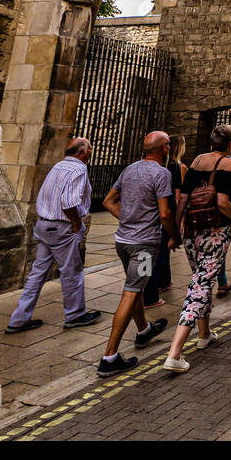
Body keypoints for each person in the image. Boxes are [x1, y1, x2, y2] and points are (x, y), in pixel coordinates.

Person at [163, 125, 231, 373]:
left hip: (192, 229)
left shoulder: (196, 160)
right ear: (229, 145)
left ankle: (204, 334)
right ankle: (174, 353)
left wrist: (176, 233)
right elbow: (221, 201)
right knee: (201, 286)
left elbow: (183, 198)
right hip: (215, 231)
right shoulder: (227, 163)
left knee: (201, 279)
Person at [97, 131, 179, 376]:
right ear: (165, 147)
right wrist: (175, 236)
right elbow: (165, 214)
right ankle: (109, 356)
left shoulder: (130, 169)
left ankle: (144, 330)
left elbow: (108, 201)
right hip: (143, 246)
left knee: (136, 288)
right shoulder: (161, 174)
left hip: (123, 241)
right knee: (131, 293)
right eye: (169, 145)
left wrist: (128, 220)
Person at [6, 138, 102, 333]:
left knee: (37, 274)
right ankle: (75, 315)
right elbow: (69, 202)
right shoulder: (78, 170)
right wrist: (76, 224)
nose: (92, 151)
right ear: (82, 152)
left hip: (44, 225)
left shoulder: (58, 166)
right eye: (90, 148)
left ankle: (18, 319)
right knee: (72, 272)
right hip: (62, 228)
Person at [144, 134, 187, 310]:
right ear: (164, 147)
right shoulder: (170, 170)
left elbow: (110, 200)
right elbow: (171, 205)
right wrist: (176, 230)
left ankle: (160, 282)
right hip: (157, 223)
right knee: (155, 256)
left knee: (149, 260)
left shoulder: (134, 169)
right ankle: (149, 296)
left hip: (135, 229)